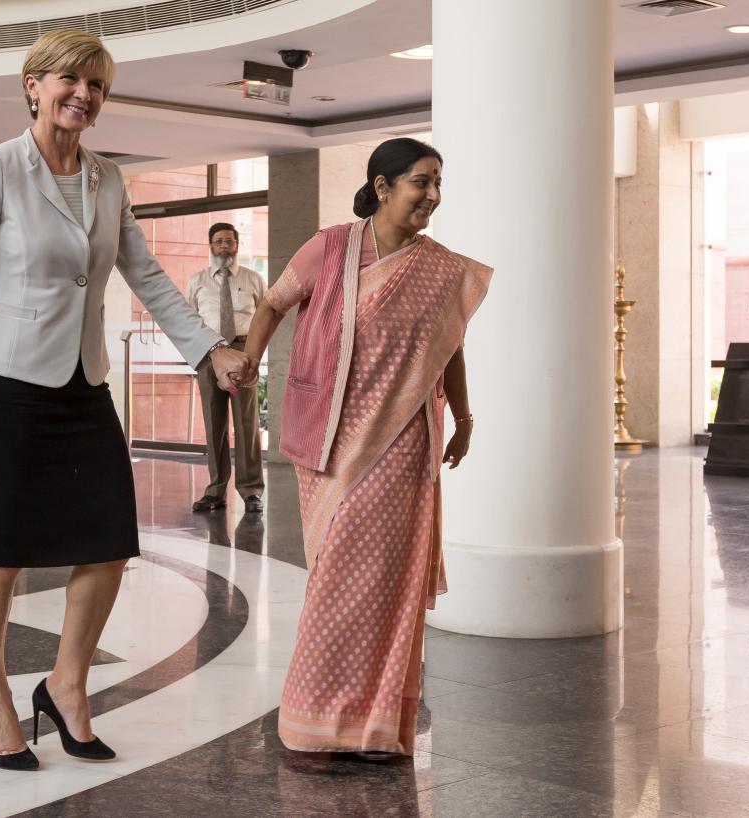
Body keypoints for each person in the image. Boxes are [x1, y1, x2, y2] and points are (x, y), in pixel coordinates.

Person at [0, 29, 250, 771]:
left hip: (84, 383)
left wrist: (207, 349)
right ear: (32, 84)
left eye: (97, 85)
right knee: (2, 555)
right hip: (10, 384)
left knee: (107, 545)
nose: (84, 95)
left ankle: (66, 684)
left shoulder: (108, 179)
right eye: (69, 79)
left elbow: (149, 276)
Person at [237, 138, 493, 757]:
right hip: (333, 440)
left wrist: (463, 415)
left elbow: (449, 346)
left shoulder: (442, 267)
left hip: (407, 444)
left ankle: (376, 725)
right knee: (337, 578)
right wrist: (248, 362)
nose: (432, 196)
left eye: (439, 183)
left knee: (390, 585)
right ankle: (315, 718)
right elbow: (273, 305)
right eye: (420, 183)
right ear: (382, 186)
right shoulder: (330, 249)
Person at [186, 223, 267, 514]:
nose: (224, 247)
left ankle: (251, 491)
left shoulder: (254, 279)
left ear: (237, 245)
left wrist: (254, 356)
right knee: (214, 423)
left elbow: (263, 320)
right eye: (219, 242)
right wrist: (197, 357)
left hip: (243, 352)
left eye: (229, 242)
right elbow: (189, 322)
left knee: (247, 423)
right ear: (210, 245)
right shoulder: (197, 282)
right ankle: (216, 490)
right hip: (208, 354)